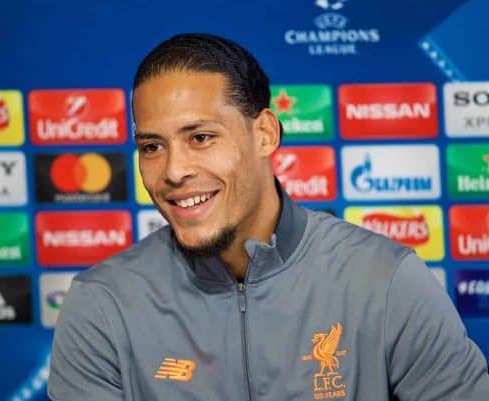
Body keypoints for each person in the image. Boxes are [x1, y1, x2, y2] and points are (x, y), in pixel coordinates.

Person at [48, 33, 489, 401]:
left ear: (265, 133)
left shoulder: (386, 281)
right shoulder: (101, 305)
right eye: (152, 147)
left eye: (200, 137)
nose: (173, 171)